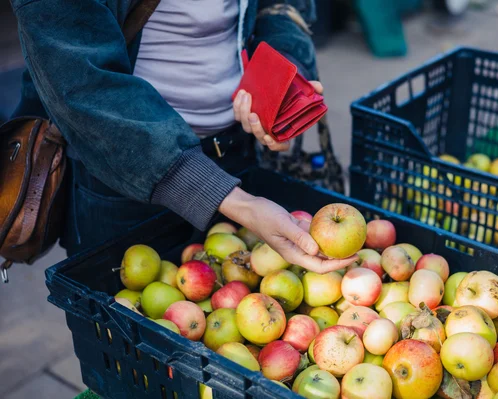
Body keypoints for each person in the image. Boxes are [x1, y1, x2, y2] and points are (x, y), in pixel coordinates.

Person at [9, 0, 356, 272]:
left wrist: (281, 89)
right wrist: (236, 201)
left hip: (237, 156)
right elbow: (82, 83)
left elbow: (281, 6)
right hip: (123, 182)